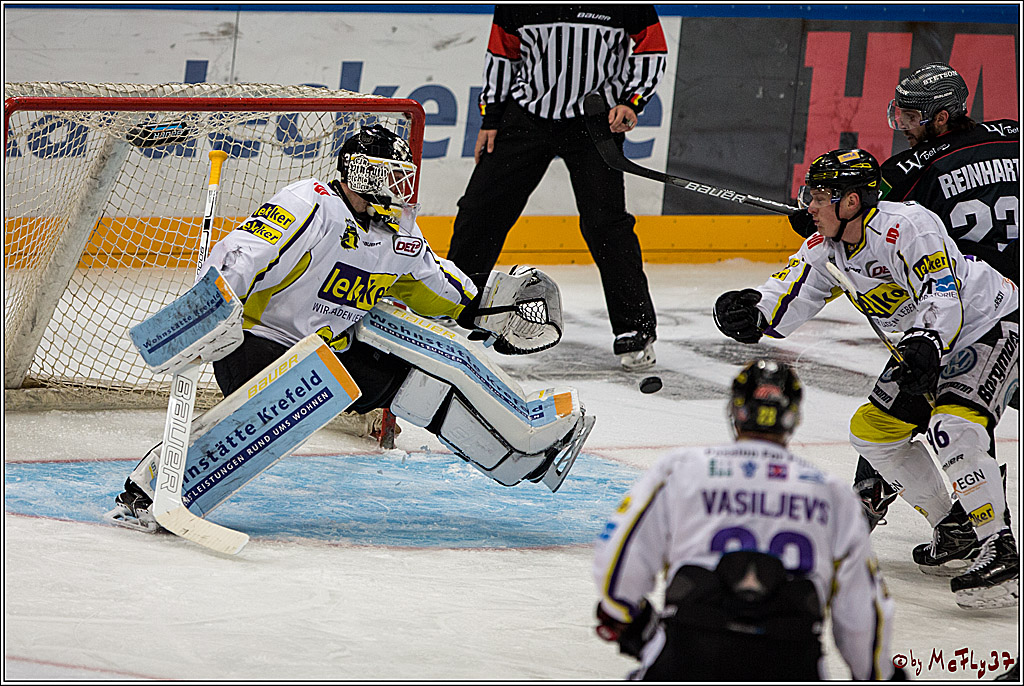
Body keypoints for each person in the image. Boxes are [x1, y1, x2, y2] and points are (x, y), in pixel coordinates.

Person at [106, 124, 593, 532]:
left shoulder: (397, 233)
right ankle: (147, 490)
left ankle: (521, 454)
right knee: (302, 389)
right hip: (255, 348)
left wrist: (481, 309)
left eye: (402, 178)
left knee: (418, 378)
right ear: (361, 175)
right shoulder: (311, 204)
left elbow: (433, 284)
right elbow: (244, 252)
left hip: (323, 356)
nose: (400, 190)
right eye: (389, 178)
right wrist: (210, 307)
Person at [714, 148, 1019, 609]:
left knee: (954, 428)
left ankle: (1001, 549)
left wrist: (926, 342)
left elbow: (944, 294)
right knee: (873, 434)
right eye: (810, 195)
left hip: (987, 325)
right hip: (929, 342)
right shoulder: (827, 248)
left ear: (851, 202)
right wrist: (749, 311)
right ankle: (954, 527)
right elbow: (787, 296)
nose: (808, 206)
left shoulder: (908, 227)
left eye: (819, 196)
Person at [789, 63, 1020, 567]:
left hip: (978, 311)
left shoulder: (910, 172)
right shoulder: (1013, 135)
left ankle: (881, 500)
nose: (902, 125)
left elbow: (863, 221)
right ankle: (962, 513)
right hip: (989, 303)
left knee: (930, 390)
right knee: (909, 404)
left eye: (910, 116)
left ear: (941, 119)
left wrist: (814, 217)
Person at [593, 359, 897, 680]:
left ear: (736, 411)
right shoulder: (832, 495)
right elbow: (864, 616)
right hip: (791, 662)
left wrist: (626, 616)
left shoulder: (682, 470)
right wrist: (876, 674)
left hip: (689, 656)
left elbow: (617, 570)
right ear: (793, 416)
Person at [446, 6, 667, 371]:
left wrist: (632, 99)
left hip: (596, 121)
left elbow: (652, 48)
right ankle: (449, 304)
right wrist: (491, 119)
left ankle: (635, 328)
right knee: (480, 212)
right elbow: (502, 56)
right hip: (527, 116)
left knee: (606, 224)